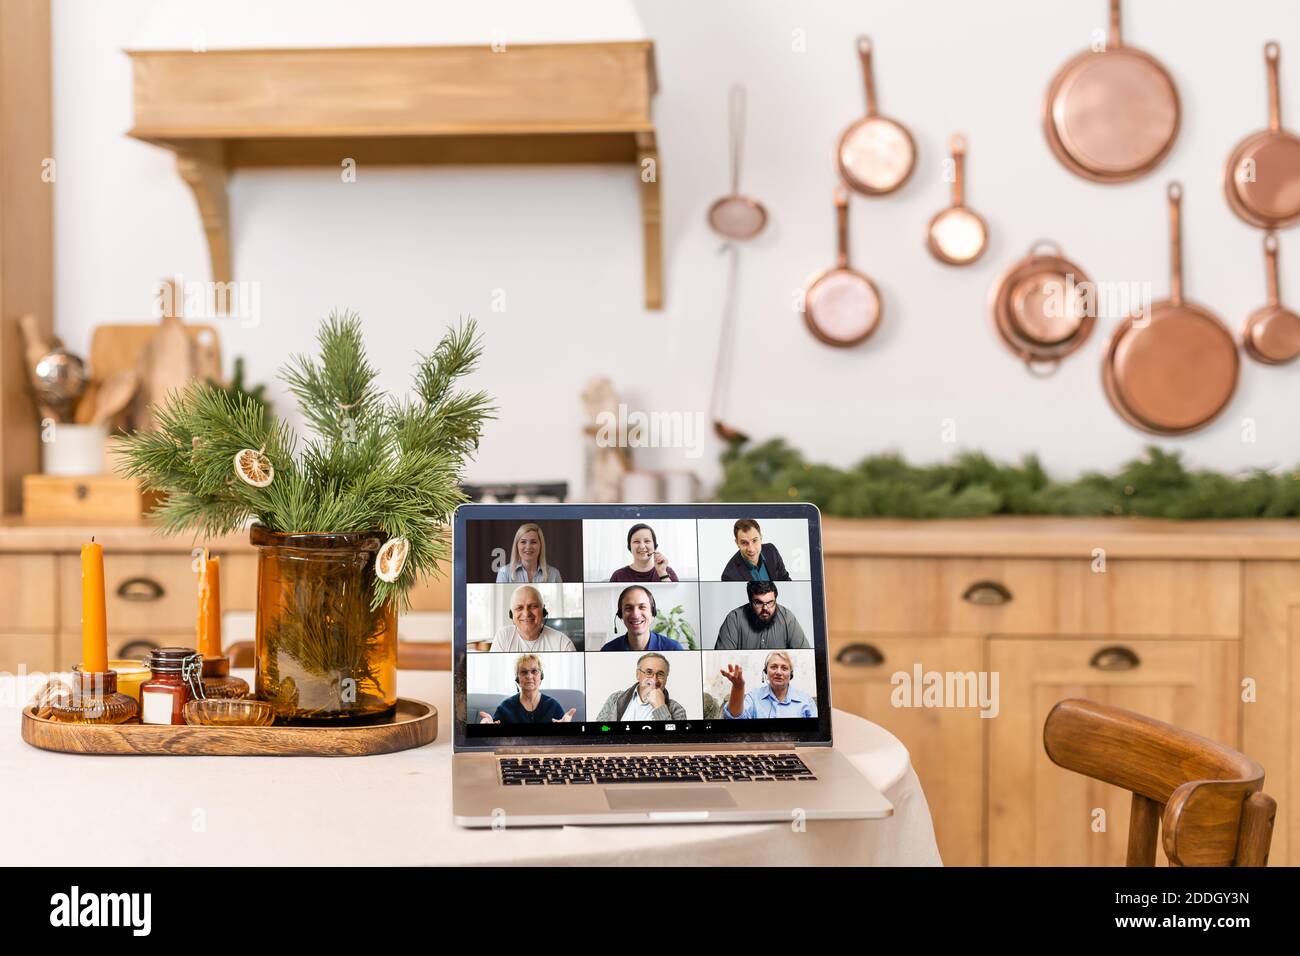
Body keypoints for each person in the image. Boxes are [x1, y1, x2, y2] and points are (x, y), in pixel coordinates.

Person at [478, 654, 577, 724]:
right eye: (524, 672)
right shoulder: (504, 708)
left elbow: (562, 743)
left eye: (534, 671)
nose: (529, 676)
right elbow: (495, 743)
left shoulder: (553, 706)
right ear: (517, 679)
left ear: (541, 677)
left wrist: (566, 729)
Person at [720, 651, 816, 719]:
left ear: (791, 674)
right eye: (774, 667)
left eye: (784, 668)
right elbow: (734, 719)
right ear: (766, 672)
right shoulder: (753, 697)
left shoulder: (806, 701)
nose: (778, 672)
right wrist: (738, 687)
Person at [714, 581, 809, 650]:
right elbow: (722, 661)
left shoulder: (787, 618)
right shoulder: (734, 618)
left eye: (770, 602)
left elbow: (805, 657)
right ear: (750, 602)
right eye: (759, 603)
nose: (765, 608)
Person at [595, 652, 687, 722]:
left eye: (660, 674)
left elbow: (674, 742)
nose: (654, 680)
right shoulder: (615, 699)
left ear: (666, 677)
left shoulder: (676, 709)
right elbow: (599, 730)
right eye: (649, 672)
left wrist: (660, 707)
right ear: (638, 674)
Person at [489, 585, 576, 652]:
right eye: (519, 608)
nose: (526, 614)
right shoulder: (503, 637)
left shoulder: (563, 644)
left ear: (543, 611)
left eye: (533, 606)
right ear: (511, 614)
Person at [600, 585, 682, 652]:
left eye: (642, 607)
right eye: (628, 608)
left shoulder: (673, 649)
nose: (635, 615)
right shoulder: (607, 650)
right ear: (621, 614)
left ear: (652, 612)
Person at [720, 518, 791, 582]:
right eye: (744, 543)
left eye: (754, 540)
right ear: (737, 543)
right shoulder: (729, 576)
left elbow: (785, 580)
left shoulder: (771, 551)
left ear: (761, 537)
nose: (751, 549)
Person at [609, 522, 678, 582]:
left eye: (647, 541)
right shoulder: (618, 576)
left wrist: (662, 573)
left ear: (654, 545)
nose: (642, 546)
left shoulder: (667, 572)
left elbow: (675, 596)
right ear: (630, 546)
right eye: (636, 541)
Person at [495, 522, 562, 583]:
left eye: (533, 542)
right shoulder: (504, 573)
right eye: (523, 542)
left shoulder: (554, 574)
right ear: (517, 545)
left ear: (541, 545)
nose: (528, 547)